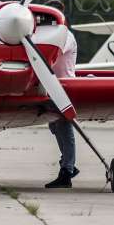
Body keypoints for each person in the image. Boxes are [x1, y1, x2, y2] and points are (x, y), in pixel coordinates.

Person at [45, 14, 79, 189]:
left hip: (65, 88)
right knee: (55, 127)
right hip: (51, 87)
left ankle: (67, 170)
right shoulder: (51, 36)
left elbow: (51, 53)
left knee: (65, 128)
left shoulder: (66, 36)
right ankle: (68, 163)